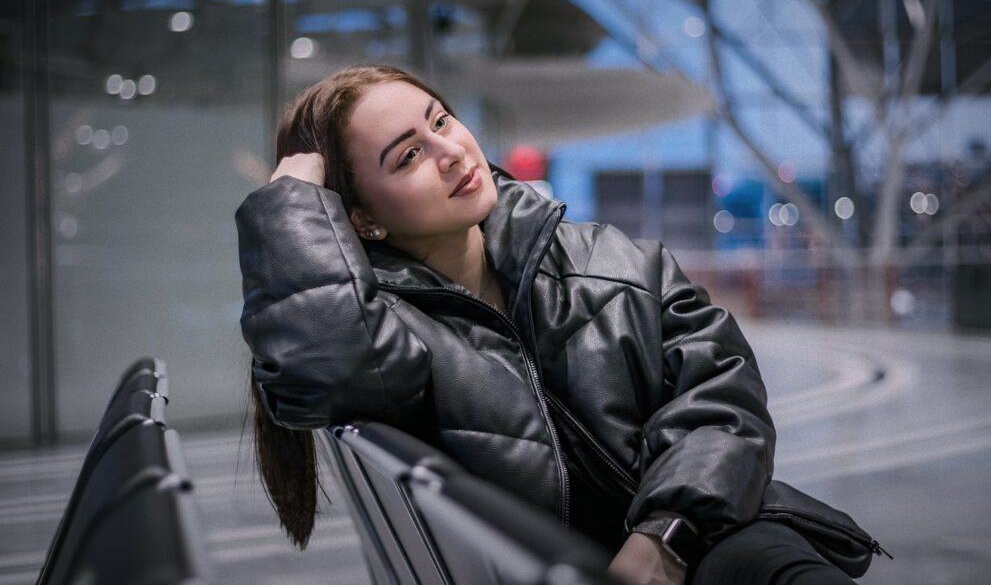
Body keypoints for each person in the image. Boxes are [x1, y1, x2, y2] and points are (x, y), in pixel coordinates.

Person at [235, 64, 861, 584]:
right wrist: (290, 207)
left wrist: (666, 535)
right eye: (409, 157)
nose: (452, 152)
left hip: (706, 536)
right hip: (571, 569)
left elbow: (722, 392)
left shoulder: (608, 260)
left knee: (774, 566)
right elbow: (326, 372)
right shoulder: (385, 336)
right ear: (363, 220)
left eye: (441, 121)